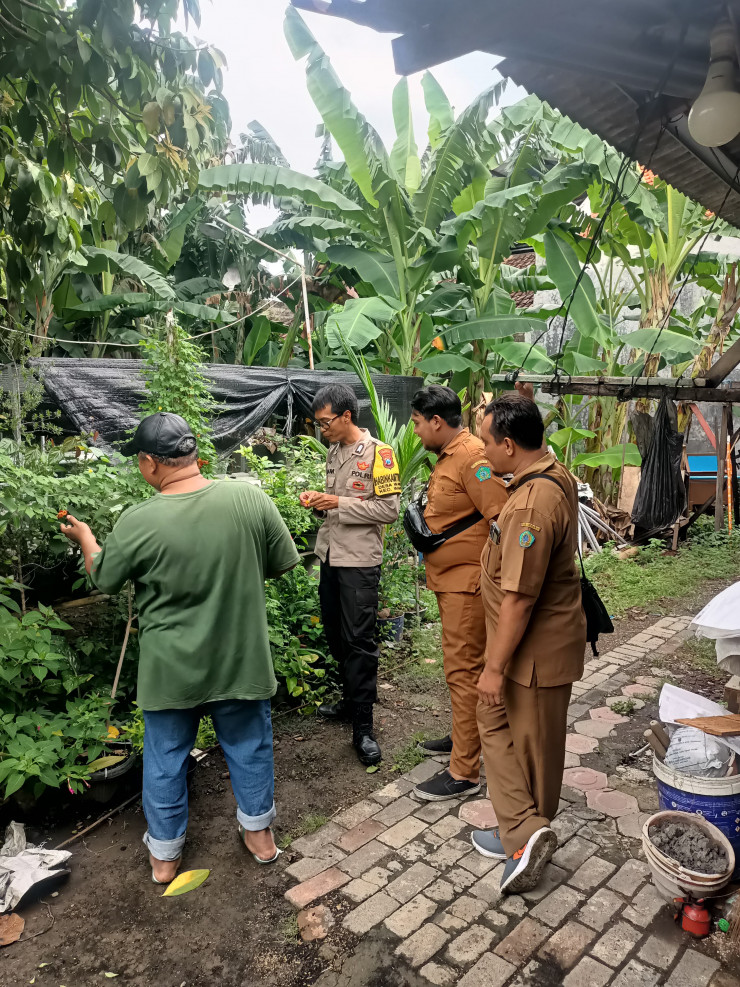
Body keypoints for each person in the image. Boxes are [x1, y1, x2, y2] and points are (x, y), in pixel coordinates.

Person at [60, 412, 300, 885]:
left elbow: (104, 579)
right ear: (193, 454)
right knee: (250, 748)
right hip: (240, 661)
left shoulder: (139, 520)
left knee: (166, 759)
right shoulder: (249, 498)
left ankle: (165, 858)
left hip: (171, 670)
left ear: (150, 462)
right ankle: (260, 838)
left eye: (139, 462)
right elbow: (279, 563)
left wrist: (86, 537)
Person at [471, 392, 586, 894]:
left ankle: (526, 844)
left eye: (486, 443)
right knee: (494, 723)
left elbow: (519, 597)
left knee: (534, 748)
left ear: (511, 445)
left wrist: (492, 669)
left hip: (535, 654)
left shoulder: (534, 503)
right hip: (520, 648)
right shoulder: (537, 475)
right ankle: (521, 826)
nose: (483, 453)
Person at [409, 385, 507, 801]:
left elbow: (502, 516)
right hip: (450, 581)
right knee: (460, 670)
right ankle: (463, 738)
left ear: (435, 421)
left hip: (466, 586)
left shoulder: (471, 458)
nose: (414, 432)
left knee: (463, 671)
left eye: (416, 423)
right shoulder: (451, 455)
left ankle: (464, 771)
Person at [300, 384, 400, 767]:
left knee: (359, 640)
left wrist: (337, 502)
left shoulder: (380, 455)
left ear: (346, 416)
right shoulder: (333, 452)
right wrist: (318, 504)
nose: (321, 428)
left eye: (325, 422)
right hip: (331, 557)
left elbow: (388, 510)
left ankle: (363, 726)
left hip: (359, 562)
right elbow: (337, 508)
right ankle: (348, 700)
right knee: (335, 633)